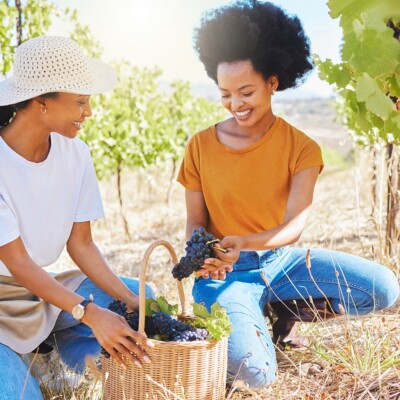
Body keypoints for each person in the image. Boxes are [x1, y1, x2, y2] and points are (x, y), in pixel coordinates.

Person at [177, 0, 400, 389]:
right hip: (225, 273)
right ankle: (248, 311)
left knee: (383, 288)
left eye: (246, 91)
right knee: (255, 376)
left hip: (282, 261)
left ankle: (283, 307)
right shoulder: (199, 146)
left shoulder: (302, 148)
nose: (235, 104)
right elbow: (195, 221)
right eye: (225, 94)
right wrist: (202, 252)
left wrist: (247, 241)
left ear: (273, 82)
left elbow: (295, 224)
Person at [0, 36, 155, 400]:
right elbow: (17, 261)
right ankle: (25, 356)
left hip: (43, 292)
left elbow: (82, 245)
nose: (89, 113)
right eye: (81, 103)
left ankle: (53, 350)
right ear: (41, 102)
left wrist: (131, 303)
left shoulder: (76, 153)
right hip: (4, 301)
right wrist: (88, 312)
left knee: (140, 297)